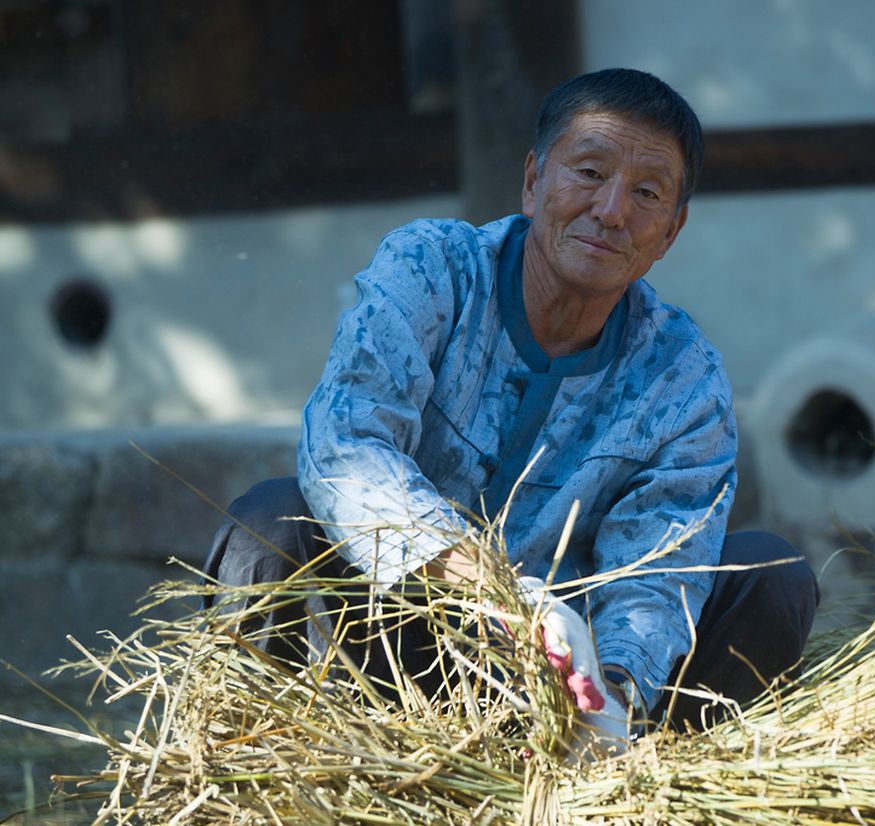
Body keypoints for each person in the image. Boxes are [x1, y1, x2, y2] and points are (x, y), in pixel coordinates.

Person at [205, 68, 819, 743]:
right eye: (588, 172)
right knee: (267, 521)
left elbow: (658, 570)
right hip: (393, 632)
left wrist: (607, 692)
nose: (612, 211)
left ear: (670, 232)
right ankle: (281, 768)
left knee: (771, 574)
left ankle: (636, 786)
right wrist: (495, 590)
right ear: (533, 182)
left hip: (555, 682)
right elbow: (347, 447)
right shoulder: (431, 270)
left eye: (646, 193)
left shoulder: (683, 376)